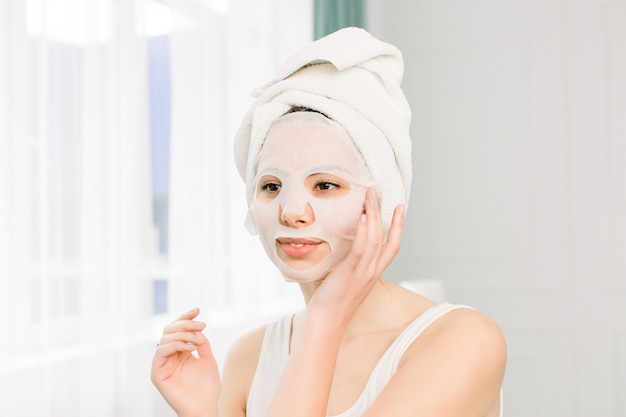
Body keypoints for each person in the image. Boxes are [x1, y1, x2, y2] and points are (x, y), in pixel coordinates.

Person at [151, 27, 507, 417]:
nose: (291, 211)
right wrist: (203, 412)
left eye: (325, 184)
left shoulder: (462, 341)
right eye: (271, 186)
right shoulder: (249, 358)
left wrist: (323, 318)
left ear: (381, 203)